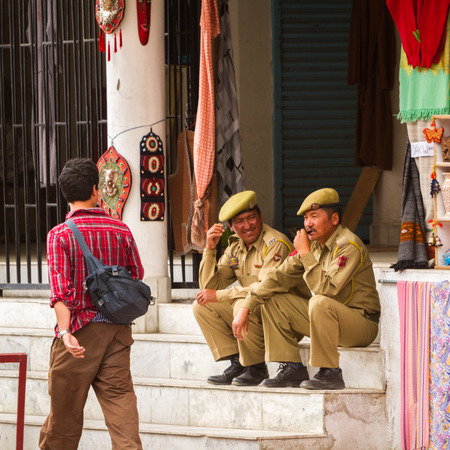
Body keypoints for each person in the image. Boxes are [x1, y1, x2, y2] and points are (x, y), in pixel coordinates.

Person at [39, 158, 144, 450]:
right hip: (116, 331)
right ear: (96, 190)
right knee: (121, 408)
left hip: (78, 333)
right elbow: (136, 275)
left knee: (64, 418)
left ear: (65, 195)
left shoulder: (59, 235)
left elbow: (61, 292)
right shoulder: (121, 229)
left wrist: (64, 332)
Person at [237, 188, 380, 389]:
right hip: (329, 320)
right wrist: (247, 305)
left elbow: (327, 290)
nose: (308, 224)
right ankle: (292, 368)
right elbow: (278, 276)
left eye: (314, 216)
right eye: (305, 218)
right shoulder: (313, 245)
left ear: (334, 219)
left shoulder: (348, 246)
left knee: (319, 301)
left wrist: (304, 252)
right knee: (273, 298)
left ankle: (330, 372)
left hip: (360, 324)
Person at [193, 190, 293, 386]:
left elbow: (265, 287)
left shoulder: (274, 244)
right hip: (254, 311)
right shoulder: (235, 248)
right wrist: (210, 250)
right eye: (239, 221)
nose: (247, 226)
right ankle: (239, 362)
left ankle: (256, 367)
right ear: (230, 227)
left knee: (241, 303)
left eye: (251, 218)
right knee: (202, 305)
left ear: (261, 216)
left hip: (280, 316)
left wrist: (221, 295)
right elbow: (209, 288)